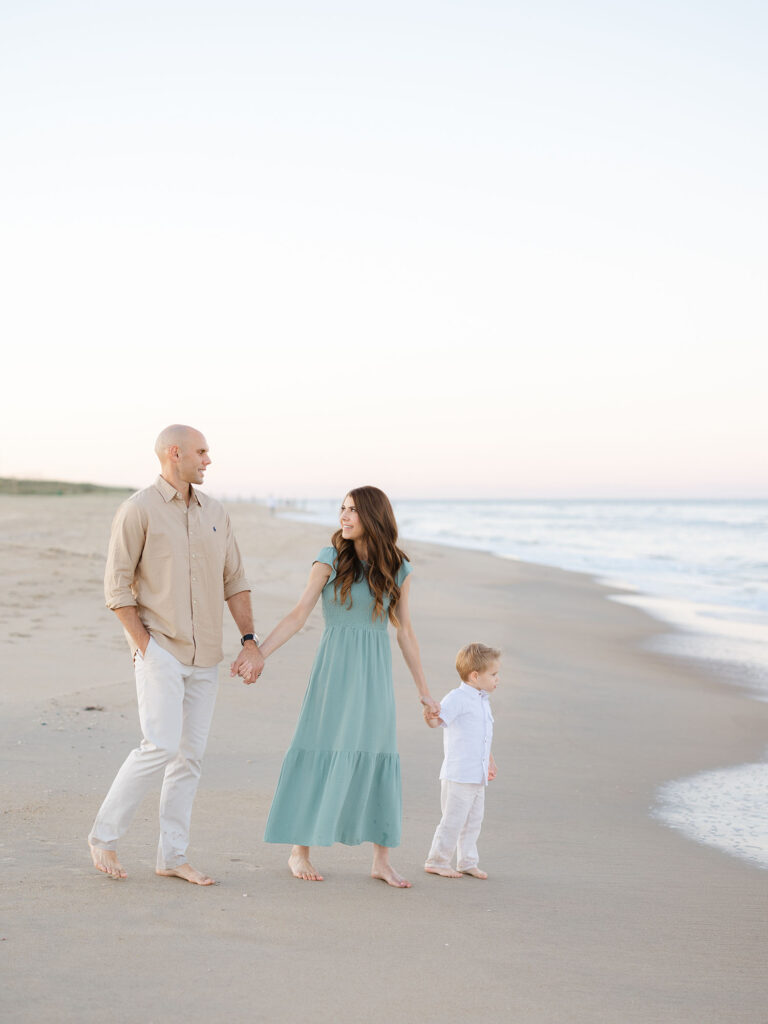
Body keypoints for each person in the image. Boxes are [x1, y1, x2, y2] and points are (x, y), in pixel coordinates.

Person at [88, 424, 264, 885]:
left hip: (207, 656)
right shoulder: (137, 510)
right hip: (160, 651)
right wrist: (146, 648)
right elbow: (116, 586)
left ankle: (172, 856)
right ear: (174, 453)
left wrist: (249, 640)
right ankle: (103, 837)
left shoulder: (216, 513)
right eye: (201, 452)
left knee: (189, 758)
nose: (208, 460)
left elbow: (235, 581)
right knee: (160, 745)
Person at [259, 486, 438, 888]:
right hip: (334, 670)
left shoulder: (398, 567)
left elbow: (405, 632)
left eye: (352, 510)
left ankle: (381, 861)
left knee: (378, 753)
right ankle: (299, 851)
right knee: (319, 745)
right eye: (342, 508)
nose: (343, 516)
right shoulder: (329, 558)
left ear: (373, 516)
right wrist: (260, 653)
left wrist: (425, 692)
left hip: (374, 674)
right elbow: (298, 613)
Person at [423, 643, 500, 879]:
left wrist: (490, 760)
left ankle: (467, 860)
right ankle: (437, 859)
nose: (498, 679)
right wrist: (430, 716)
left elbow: (482, 736)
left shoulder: (482, 700)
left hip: (476, 775)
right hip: (458, 775)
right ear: (475, 676)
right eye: (494, 674)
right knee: (453, 820)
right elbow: (438, 721)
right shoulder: (457, 698)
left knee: (473, 820)